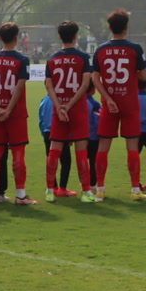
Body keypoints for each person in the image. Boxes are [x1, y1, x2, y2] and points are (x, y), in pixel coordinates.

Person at [90, 9, 146, 201]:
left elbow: (95, 78)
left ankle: (100, 188)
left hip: (109, 104)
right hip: (130, 103)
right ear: (126, 27)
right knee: (132, 146)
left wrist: (108, 97)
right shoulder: (135, 49)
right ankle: (135, 190)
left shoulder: (101, 50)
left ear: (109, 27)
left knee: (103, 146)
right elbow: (144, 76)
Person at [39, 20, 92, 202]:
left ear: (60, 37)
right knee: (81, 151)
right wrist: (69, 106)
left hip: (58, 109)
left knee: (54, 150)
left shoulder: (52, 58)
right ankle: (86, 192)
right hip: (77, 109)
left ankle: (49, 191)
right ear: (76, 36)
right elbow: (85, 84)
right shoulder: (83, 57)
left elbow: (48, 85)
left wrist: (59, 106)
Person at [0, 22, 33, 205]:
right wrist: (9, 109)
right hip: (16, 113)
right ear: (16, 38)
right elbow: (19, 86)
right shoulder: (22, 60)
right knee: (18, 152)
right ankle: (20, 195)